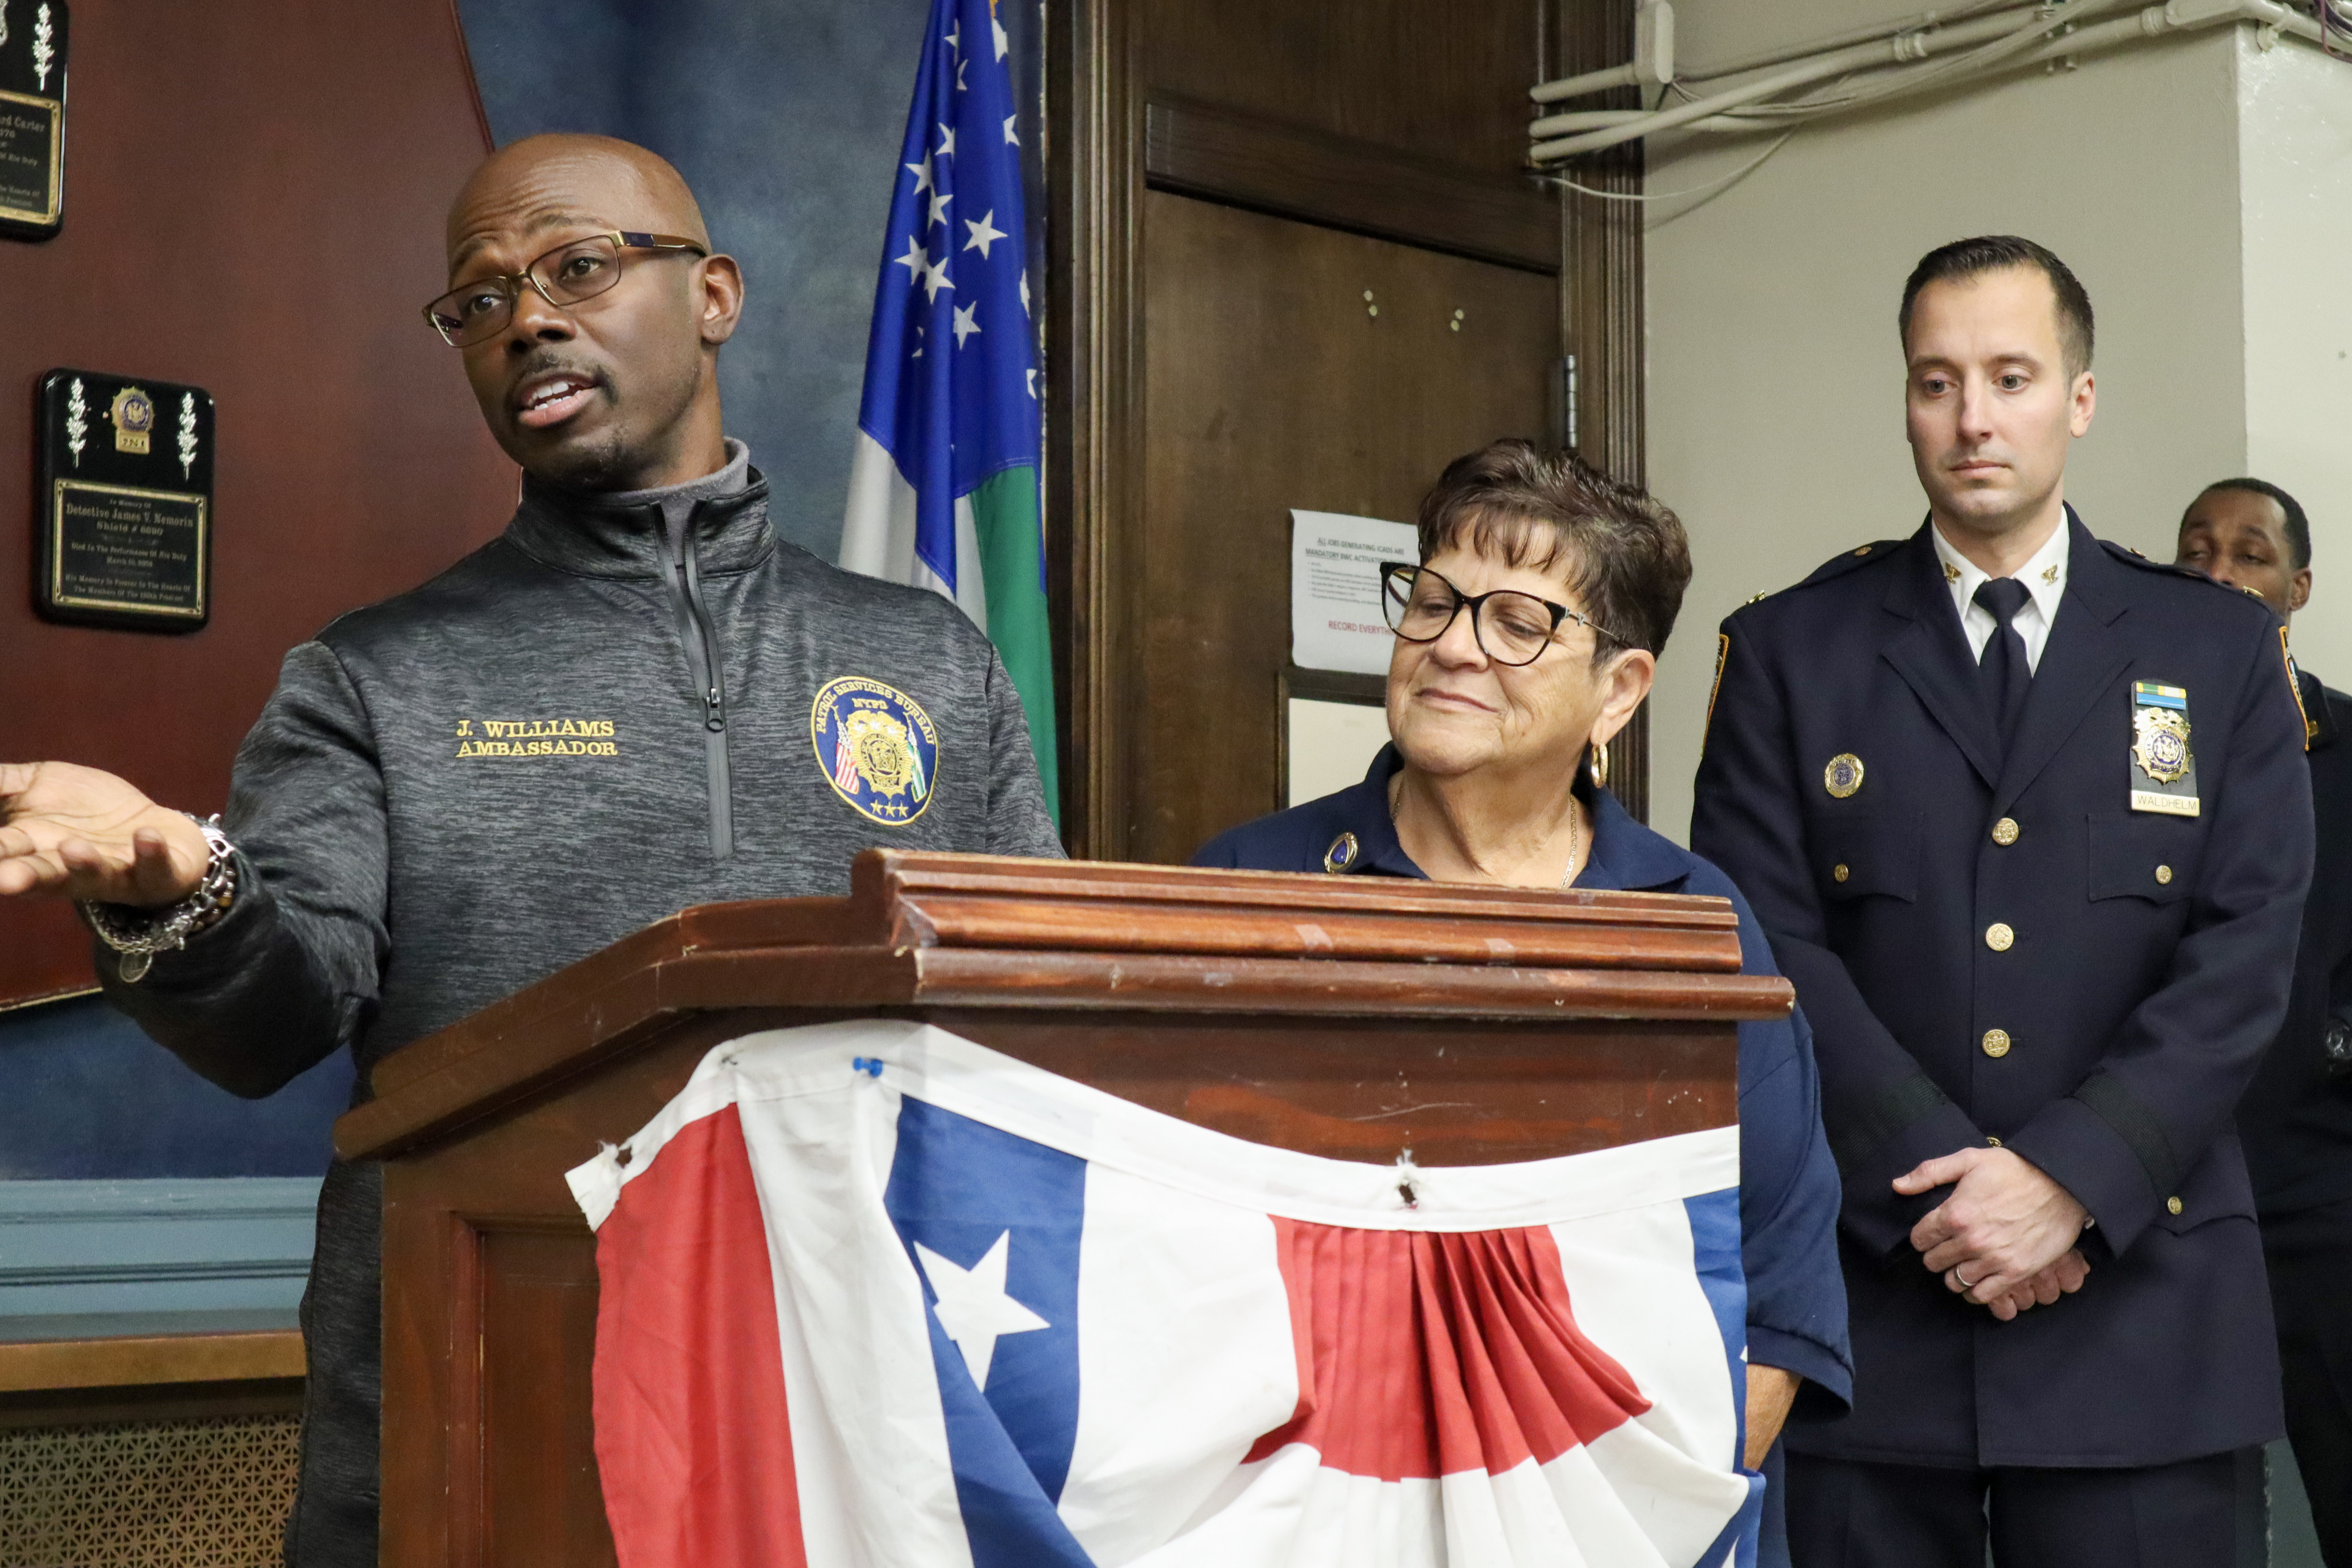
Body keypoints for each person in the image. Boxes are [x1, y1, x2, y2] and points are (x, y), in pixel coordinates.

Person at [0, 134, 1062, 1565]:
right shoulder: (375, 674)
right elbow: (275, 1019)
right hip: (482, 1403)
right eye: (481, 300)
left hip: (847, 1412)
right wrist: (186, 904)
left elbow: (1027, 1016)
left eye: (578, 267)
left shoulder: (927, 659)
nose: (527, 322)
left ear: (714, 296)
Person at [1692, 236, 2312, 1566]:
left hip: (2142, 1311)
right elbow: (1764, 949)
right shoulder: (1792, 650)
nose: (1972, 417)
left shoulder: (2216, 650)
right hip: (1876, 1315)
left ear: (2077, 399)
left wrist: (2069, 1179)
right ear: (1907, 402)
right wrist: (1954, 1197)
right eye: (1937, 382)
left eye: (2010, 378)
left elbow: (2245, 950)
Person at [1194, 438, 1852, 1566]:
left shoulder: (1693, 928)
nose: (1452, 645)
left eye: (1517, 622)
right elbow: (1167, 1261)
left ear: (1618, 691)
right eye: (1434, 601)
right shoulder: (1252, 889)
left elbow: (1778, 1299)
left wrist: (1626, 1536)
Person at [2176, 476, 2352, 1566]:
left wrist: (2334, 1046)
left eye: (2250, 554)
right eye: (2196, 551)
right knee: (2180, 1504)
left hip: (2319, 1177)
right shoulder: (2131, 737)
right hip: (2167, 1179)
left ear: (2298, 587)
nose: (2219, 573)